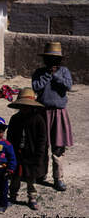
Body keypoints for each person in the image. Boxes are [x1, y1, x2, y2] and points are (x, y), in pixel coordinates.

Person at [32, 42, 73, 191]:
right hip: (42, 112)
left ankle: (58, 178)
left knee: (58, 147)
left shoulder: (64, 71)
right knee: (41, 145)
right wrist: (47, 75)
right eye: (49, 59)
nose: (52, 62)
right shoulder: (39, 72)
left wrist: (56, 76)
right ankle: (40, 173)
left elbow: (68, 86)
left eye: (55, 59)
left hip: (59, 113)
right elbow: (36, 87)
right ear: (45, 60)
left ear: (59, 60)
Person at [7, 88, 47, 210]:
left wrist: (39, 156)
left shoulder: (39, 120)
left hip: (32, 154)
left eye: (27, 106)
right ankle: (12, 195)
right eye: (22, 106)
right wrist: (10, 152)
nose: (25, 108)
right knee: (15, 177)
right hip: (17, 153)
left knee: (31, 177)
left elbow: (42, 140)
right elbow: (10, 136)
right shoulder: (15, 119)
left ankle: (32, 197)